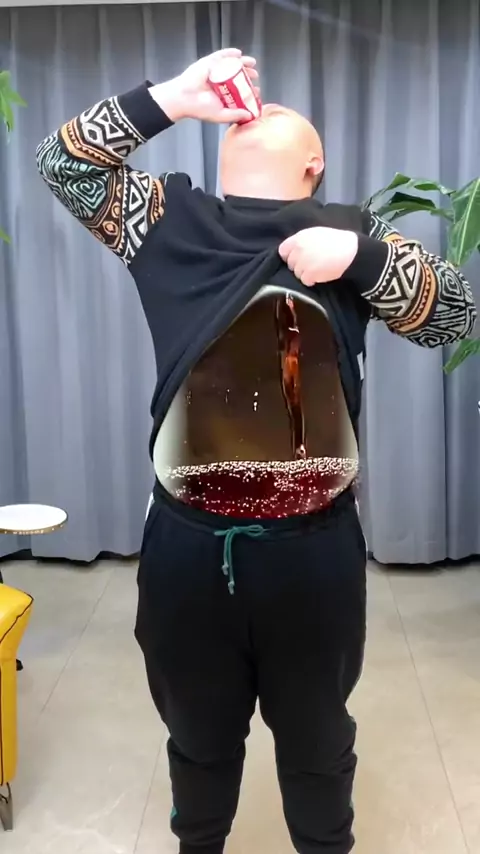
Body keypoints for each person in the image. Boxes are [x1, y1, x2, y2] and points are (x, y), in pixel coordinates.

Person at [36, 48, 476, 854]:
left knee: (317, 744)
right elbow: (63, 164)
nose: (261, 110)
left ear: (316, 163)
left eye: (281, 118)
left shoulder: (350, 232)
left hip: (313, 553)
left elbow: (454, 314)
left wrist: (361, 259)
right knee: (197, 741)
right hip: (188, 549)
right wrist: (175, 96)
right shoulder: (171, 219)